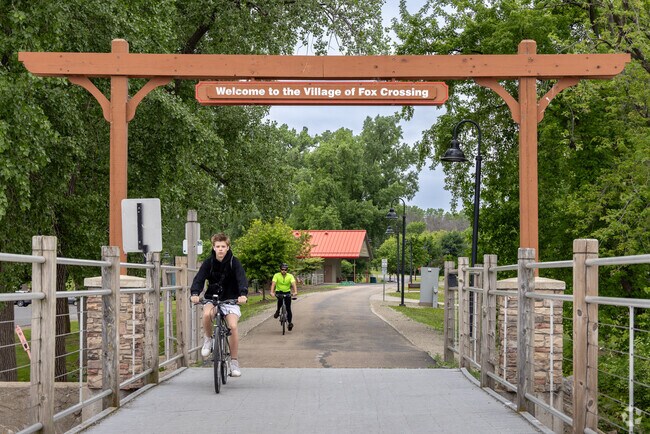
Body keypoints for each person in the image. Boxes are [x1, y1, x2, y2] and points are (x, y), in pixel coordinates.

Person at [190, 233, 248, 377]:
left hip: (231, 299)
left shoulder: (235, 262)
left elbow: (242, 279)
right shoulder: (208, 263)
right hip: (213, 298)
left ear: (228, 248)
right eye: (218, 246)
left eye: (223, 246)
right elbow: (199, 279)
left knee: (233, 327)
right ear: (213, 247)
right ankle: (208, 339)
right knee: (207, 314)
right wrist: (195, 293)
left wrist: (242, 294)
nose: (220, 249)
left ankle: (234, 362)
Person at [270, 263, 298, 331]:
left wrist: (295, 292)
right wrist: (272, 292)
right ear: (280, 269)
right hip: (279, 292)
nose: (284, 271)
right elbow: (273, 284)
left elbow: (293, 284)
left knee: (288, 308)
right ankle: (278, 311)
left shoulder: (290, 276)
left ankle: (290, 323)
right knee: (280, 300)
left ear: (287, 270)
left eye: (285, 270)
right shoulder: (276, 275)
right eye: (282, 269)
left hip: (287, 292)